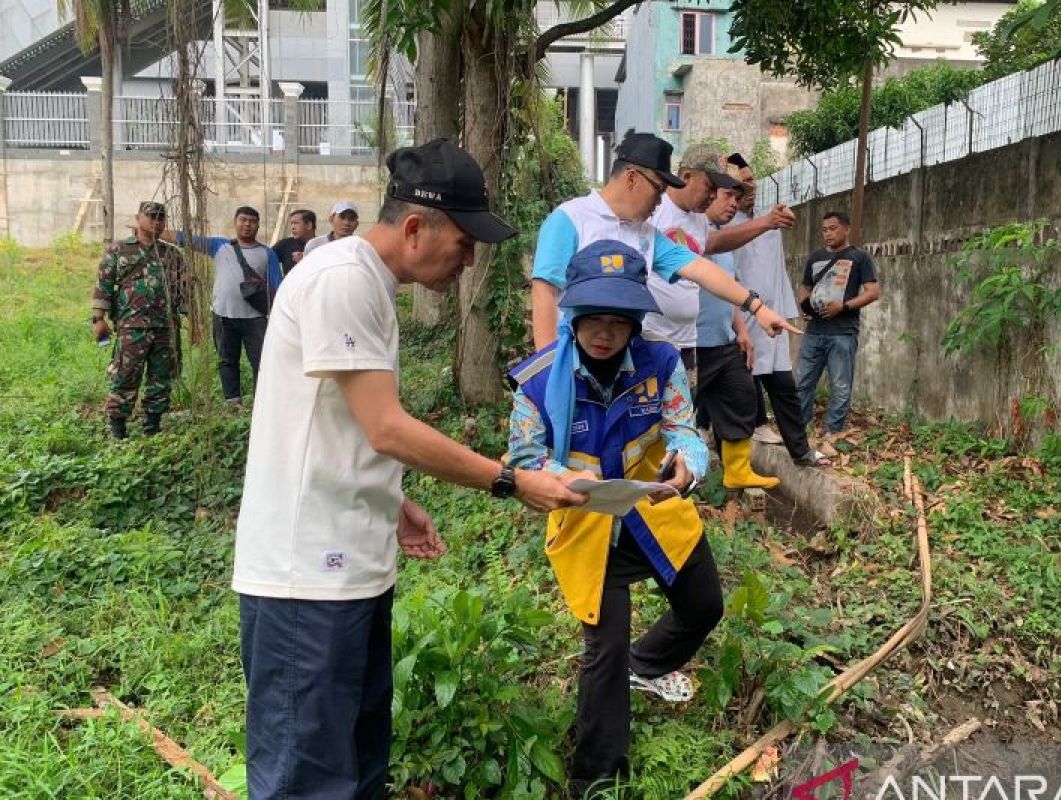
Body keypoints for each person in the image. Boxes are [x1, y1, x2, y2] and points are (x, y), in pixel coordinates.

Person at [233, 138, 587, 800]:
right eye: (465, 241)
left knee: (357, 771)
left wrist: (393, 505)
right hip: (303, 581)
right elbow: (386, 424)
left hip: (348, 575)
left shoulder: (368, 286)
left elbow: (337, 422)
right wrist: (508, 479)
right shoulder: (340, 279)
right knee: (307, 780)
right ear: (417, 228)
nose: (470, 258)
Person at [507, 239, 722, 798]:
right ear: (572, 315)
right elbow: (525, 460)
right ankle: (596, 777)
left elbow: (682, 429)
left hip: (656, 516)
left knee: (705, 606)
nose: (605, 332)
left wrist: (688, 465)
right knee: (603, 651)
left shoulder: (662, 363)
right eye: (594, 318)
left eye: (619, 320)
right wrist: (564, 480)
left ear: (635, 323)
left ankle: (645, 665)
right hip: (589, 530)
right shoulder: (536, 381)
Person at [529, 130, 800, 355]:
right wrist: (546, 369)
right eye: (658, 189)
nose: (660, 200)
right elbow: (545, 291)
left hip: (627, 361)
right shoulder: (570, 218)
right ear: (632, 177)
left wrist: (757, 307)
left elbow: (700, 269)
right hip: (574, 358)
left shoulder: (645, 234)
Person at [642, 141, 797, 373]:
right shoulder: (654, 210)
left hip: (687, 342)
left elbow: (713, 246)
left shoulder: (699, 220)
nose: (713, 197)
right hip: (651, 338)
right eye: (710, 187)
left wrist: (767, 222)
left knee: (686, 409)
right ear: (686, 176)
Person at [728, 154, 830, 466]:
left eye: (753, 180)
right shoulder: (721, 229)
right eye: (744, 183)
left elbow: (774, 263)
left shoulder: (767, 223)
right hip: (737, 321)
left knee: (782, 385)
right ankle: (723, 450)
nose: (752, 187)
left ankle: (800, 451)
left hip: (770, 319)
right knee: (737, 388)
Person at [695, 182, 784, 490]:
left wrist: (742, 330)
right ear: (706, 194)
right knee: (675, 411)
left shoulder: (724, 246)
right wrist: (766, 221)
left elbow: (727, 288)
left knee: (742, 394)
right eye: (727, 195)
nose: (734, 203)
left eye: (737, 197)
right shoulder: (693, 232)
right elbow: (712, 244)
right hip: (690, 345)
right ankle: (666, 479)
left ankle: (737, 470)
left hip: (723, 341)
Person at [91, 201, 190, 439]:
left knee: (161, 378)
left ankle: (153, 426)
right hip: (131, 327)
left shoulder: (172, 254)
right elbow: (103, 284)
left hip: (166, 327)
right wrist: (98, 320)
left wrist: (192, 323)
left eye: (160, 218)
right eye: (151, 217)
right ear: (138, 219)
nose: (156, 222)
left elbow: (183, 290)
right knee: (125, 375)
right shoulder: (119, 250)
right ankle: (118, 428)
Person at [177, 206, 283, 404]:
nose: (247, 224)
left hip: (255, 319)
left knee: (261, 362)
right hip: (223, 316)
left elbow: (277, 286)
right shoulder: (220, 246)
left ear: (258, 225)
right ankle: (232, 402)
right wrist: (152, 230)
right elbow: (185, 239)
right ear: (235, 222)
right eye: (243, 220)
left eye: (252, 221)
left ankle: (262, 403)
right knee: (227, 360)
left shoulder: (267, 253)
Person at [795, 210, 882, 445]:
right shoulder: (815, 258)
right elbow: (805, 286)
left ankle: (832, 432)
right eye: (824, 230)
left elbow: (873, 292)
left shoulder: (860, 257)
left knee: (840, 385)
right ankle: (799, 429)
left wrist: (843, 306)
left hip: (842, 332)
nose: (828, 233)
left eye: (833, 228)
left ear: (846, 229)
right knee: (802, 382)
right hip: (814, 331)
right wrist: (804, 305)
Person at [272, 209, 316, 274]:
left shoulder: (322, 245)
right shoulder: (284, 244)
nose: (292, 227)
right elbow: (266, 261)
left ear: (309, 225)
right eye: (291, 224)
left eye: (296, 223)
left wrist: (305, 260)